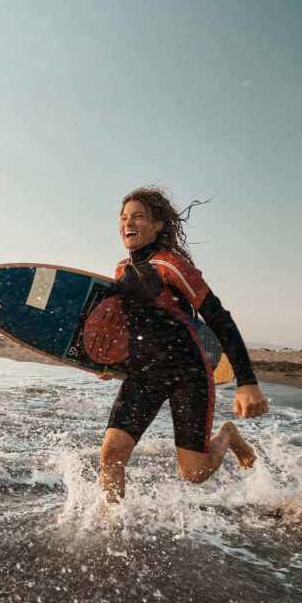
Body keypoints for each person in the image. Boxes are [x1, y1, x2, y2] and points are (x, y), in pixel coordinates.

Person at [96, 187, 269, 502]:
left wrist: (247, 382)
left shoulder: (170, 264)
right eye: (123, 218)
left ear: (157, 224)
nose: (127, 223)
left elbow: (219, 319)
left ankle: (228, 434)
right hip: (144, 373)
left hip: (186, 373)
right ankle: (111, 531)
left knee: (194, 473)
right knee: (111, 454)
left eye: (137, 216)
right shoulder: (121, 270)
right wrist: (111, 364)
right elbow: (126, 330)